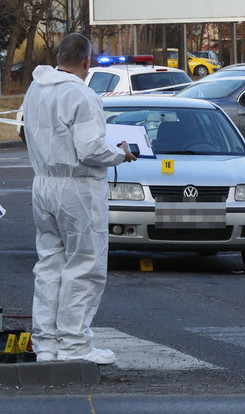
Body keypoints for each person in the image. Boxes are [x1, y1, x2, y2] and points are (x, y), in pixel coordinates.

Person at [22, 33, 137, 365]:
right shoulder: (81, 95)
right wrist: (120, 153)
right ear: (87, 62)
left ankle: (45, 344)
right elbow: (90, 150)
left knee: (49, 265)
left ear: (58, 56)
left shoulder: (35, 90)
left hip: (43, 183)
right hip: (77, 189)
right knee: (84, 264)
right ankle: (74, 344)